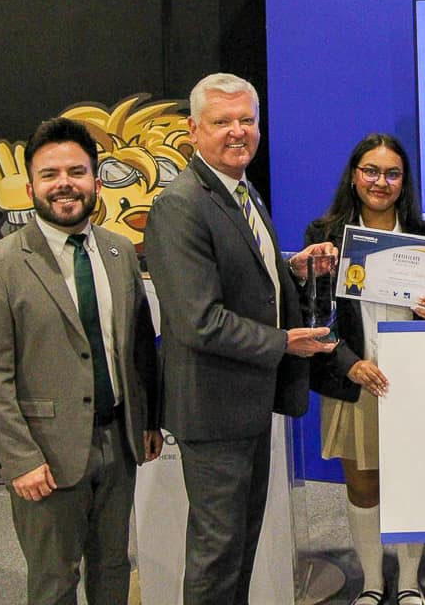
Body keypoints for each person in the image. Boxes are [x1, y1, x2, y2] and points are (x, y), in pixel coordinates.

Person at [144, 73, 337, 604]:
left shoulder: (241, 190)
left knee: (239, 546)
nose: (237, 132)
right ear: (192, 130)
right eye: (222, 121)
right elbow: (198, 320)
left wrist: (292, 269)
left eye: (246, 120)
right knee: (218, 552)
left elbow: (245, 278)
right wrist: (283, 343)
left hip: (247, 403)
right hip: (215, 409)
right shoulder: (180, 205)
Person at [0, 117, 162, 605]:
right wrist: (19, 459)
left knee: (114, 566)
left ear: (95, 180)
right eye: (50, 174)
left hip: (119, 442)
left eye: (76, 171)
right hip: (45, 455)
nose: (64, 184)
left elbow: (137, 346)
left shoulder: (118, 251)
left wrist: (150, 420)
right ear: (31, 186)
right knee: (54, 581)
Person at [304, 134, 425, 605]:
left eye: (392, 174)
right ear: (354, 175)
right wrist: (348, 363)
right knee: (363, 485)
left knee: (412, 482)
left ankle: (408, 579)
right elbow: (311, 316)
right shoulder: (324, 237)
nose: (380, 182)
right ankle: (372, 580)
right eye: (371, 171)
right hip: (355, 377)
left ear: (403, 181)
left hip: (416, 384)